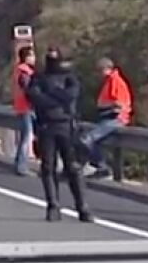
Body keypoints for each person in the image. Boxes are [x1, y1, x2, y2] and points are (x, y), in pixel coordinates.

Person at [26, 46, 92, 223]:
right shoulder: (38, 78)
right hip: (46, 126)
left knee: (73, 168)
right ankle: (53, 206)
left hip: (66, 127)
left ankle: (83, 207)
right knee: (48, 167)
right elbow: (34, 97)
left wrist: (50, 94)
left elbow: (72, 95)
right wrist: (57, 99)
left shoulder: (69, 77)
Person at [81, 57, 134, 179]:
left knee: (87, 139)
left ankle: (102, 167)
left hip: (117, 118)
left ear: (107, 69)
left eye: (100, 70)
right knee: (95, 141)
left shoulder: (115, 81)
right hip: (108, 117)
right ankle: (101, 167)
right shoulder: (109, 81)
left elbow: (120, 103)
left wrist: (106, 106)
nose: (99, 74)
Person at [12, 46, 37, 176]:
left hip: (21, 106)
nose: (34, 58)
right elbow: (28, 90)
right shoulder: (25, 72)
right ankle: (22, 166)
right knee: (27, 137)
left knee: (24, 137)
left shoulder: (20, 70)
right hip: (26, 107)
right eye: (31, 55)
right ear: (26, 58)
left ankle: (18, 162)